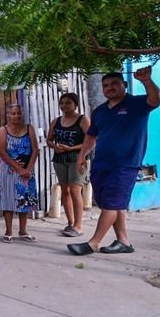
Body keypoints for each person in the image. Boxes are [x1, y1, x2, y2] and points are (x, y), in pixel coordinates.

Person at [68, 67, 160, 256]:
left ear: (124, 85)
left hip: (126, 165)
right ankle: (123, 241)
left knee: (112, 203)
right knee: (112, 203)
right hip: (102, 164)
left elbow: (156, 99)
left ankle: (93, 243)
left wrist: (146, 81)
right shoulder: (100, 112)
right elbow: (91, 137)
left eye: (114, 84)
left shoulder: (137, 104)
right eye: (105, 86)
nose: (109, 88)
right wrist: (81, 156)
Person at [46, 93, 90, 237]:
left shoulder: (83, 120)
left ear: (75, 104)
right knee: (65, 191)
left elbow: (90, 141)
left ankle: (78, 226)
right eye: (62, 103)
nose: (64, 106)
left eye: (68, 103)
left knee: (75, 191)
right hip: (60, 159)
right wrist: (55, 146)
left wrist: (71, 148)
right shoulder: (56, 121)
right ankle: (70, 223)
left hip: (77, 158)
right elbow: (49, 140)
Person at [0, 103, 39, 243]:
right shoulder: (3, 130)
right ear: (8, 115)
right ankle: (8, 231)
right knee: (8, 199)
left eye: (19, 113)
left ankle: (23, 230)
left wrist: (28, 169)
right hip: (9, 171)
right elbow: (2, 152)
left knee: (24, 200)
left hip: (27, 171)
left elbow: (35, 150)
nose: (16, 116)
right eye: (13, 113)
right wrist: (19, 169)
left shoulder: (29, 128)